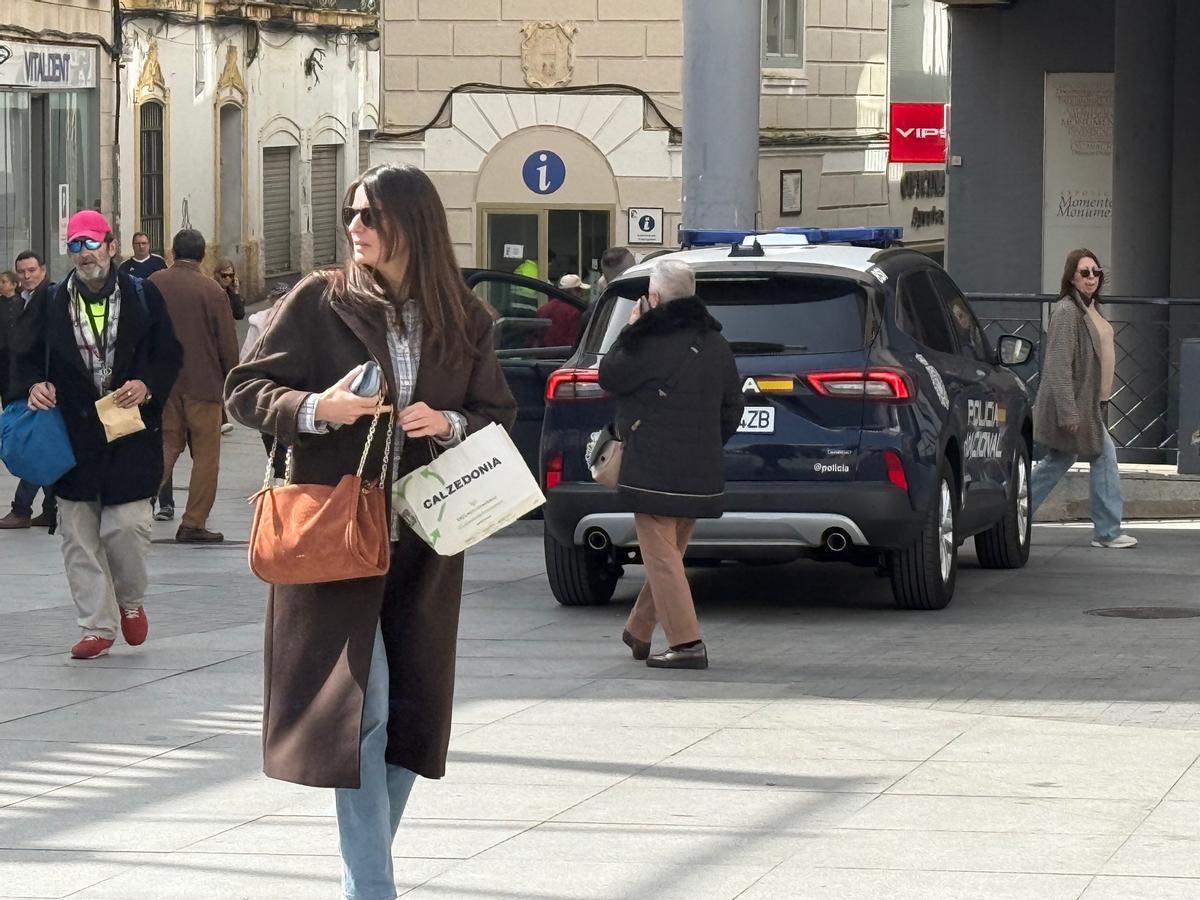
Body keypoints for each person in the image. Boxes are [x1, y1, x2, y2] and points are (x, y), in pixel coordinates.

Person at [225, 163, 516, 900]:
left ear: (411, 225)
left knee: (408, 724)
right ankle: (371, 891)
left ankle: (365, 872)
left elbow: (496, 413)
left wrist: (450, 422)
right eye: (351, 213)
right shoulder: (319, 301)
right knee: (365, 715)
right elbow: (245, 391)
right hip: (334, 536)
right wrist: (318, 407)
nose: (354, 226)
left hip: (423, 542)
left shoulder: (465, 318)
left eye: (370, 215)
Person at [13, 211, 181, 659]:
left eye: (91, 244)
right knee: (78, 534)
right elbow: (21, 357)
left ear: (111, 246)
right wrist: (34, 386)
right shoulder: (50, 301)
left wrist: (147, 384)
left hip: (128, 430)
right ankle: (96, 627)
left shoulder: (144, 296)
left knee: (126, 527)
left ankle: (130, 603)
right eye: (75, 246)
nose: (84, 254)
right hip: (73, 435)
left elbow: (168, 354)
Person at [598, 259, 743, 669]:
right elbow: (734, 407)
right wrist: (707, 444)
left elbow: (608, 376)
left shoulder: (648, 340)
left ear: (654, 297)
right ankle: (640, 630)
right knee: (669, 559)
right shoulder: (715, 343)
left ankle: (686, 644)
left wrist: (630, 328)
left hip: (653, 470)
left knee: (661, 559)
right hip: (701, 471)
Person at [1031, 249, 1137, 550]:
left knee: (1059, 460)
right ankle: (1107, 532)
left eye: (1096, 272)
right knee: (1104, 456)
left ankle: (1011, 511)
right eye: (1084, 272)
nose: (1092, 278)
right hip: (1077, 406)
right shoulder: (1067, 312)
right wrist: (1068, 411)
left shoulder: (1089, 308)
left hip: (1090, 403)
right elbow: (1058, 365)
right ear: (1072, 277)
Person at [149, 230, 239, 543]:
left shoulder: (153, 284)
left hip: (164, 384)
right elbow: (227, 343)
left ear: (172, 252)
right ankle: (193, 522)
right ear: (203, 256)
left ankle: (136, 506)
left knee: (165, 447)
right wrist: (233, 381)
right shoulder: (212, 290)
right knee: (206, 457)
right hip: (204, 384)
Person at [0, 251, 59, 530]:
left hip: (39, 387)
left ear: (43, 270)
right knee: (39, 446)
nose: (27, 276)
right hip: (23, 385)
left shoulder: (50, 298)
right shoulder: (19, 301)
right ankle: (50, 508)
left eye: (32, 270)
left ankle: (22, 508)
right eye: (22, 272)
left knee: (32, 446)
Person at [532, 274, 586, 347]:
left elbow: (534, 338)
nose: (581, 294)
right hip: (565, 354)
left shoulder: (543, 309)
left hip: (543, 355)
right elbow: (574, 340)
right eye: (579, 290)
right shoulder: (575, 311)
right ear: (573, 291)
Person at [0, 270, 18, 406]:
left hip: (16, 350)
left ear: (14, 284)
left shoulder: (22, 302)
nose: (1, 285)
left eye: (4, 282)